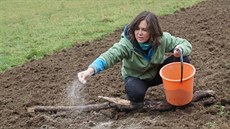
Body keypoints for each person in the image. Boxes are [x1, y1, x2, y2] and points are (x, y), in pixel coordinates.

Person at [78, 11, 192, 106]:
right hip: (136, 78)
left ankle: (178, 94)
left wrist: (179, 49)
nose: (139, 33)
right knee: (136, 95)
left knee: (183, 59)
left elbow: (185, 44)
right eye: (137, 29)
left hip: (156, 74)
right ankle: (136, 91)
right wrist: (91, 69)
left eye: (144, 30)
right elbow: (110, 55)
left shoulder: (162, 39)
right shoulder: (127, 44)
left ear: (152, 31)